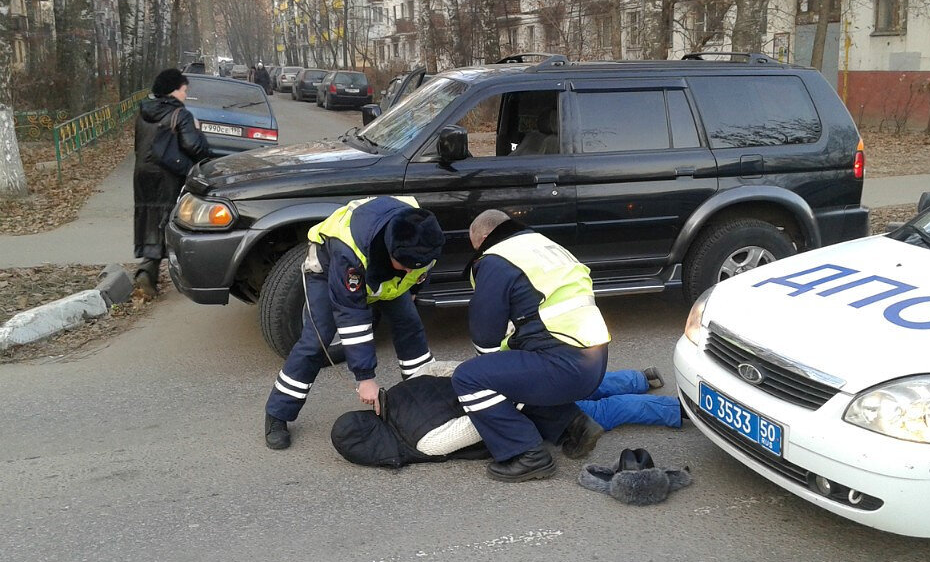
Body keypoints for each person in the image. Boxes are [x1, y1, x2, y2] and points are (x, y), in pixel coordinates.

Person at [264, 195, 446, 450]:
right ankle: (277, 413)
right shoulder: (348, 250)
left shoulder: (422, 231)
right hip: (329, 272)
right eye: (404, 265)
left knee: (410, 325)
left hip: (383, 278)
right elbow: (352, 316)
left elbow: (418, 272)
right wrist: (365, 378)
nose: (408, 271)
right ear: (390, 248)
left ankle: (421, 397)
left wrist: (415, 288)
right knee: (316, 341)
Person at [451, 209, 612, 482]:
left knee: (469, 378)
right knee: (514, 366)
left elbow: (485, 331)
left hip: (566, 366)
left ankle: (528, 455)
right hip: (593, 359)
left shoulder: (497, 259)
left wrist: (489, 368)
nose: (477, 253)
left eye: (476, 246)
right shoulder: (541, 245)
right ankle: (574, 426)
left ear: (485, 238)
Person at [331, 363, 685, 468]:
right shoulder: (396, 393)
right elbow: (442, 369)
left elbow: (479, 425)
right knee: (584, 385)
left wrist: (516, 398)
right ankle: (642, 378)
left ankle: (676, 410)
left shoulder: (425, 443)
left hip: (515, 403)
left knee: (600, 412)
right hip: (505, 375)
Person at [132, 68, 210, 297]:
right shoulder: (181, 115)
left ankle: (148, 270)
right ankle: (192, 274)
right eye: (184, 90)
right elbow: (194, 147)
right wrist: (198, 131)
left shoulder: (144, 113)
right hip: (168, 174)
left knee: (149, 216)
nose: (186, 95)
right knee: (173, 218)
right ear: (173, 90)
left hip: (143, 172)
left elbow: (139, 145)